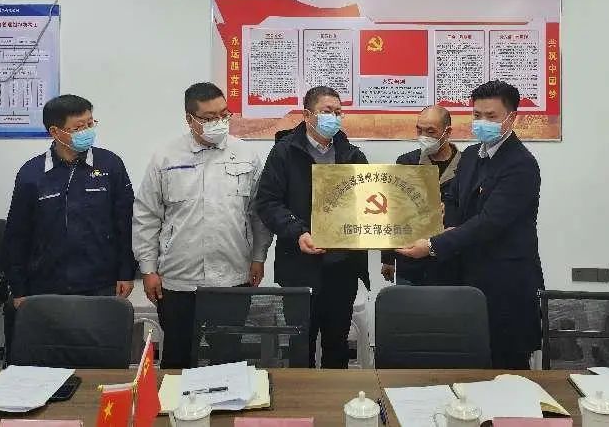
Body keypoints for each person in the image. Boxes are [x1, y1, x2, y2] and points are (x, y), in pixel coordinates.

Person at [397, 80, 544, 369]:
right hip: (469, 280)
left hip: (506, 286)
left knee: (506, 371)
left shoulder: (521, 164)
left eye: (491, 116)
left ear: (511, 118)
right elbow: (454, 202)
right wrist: (439, 221)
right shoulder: (473, 156)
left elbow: (489, 223)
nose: (482, 122)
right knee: (468, 368)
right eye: (477, 115)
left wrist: (433, 244)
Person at [132, 82, 272, 369]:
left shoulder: (246, 155)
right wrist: (147, 269)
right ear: (190, 119)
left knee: (229, 357)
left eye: (224, 114)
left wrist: (258, 257)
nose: (219, 122)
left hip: (232, 275)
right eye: (209, 118)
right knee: (178, 357)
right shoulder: (166, 157)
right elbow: (147, 215)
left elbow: (258, 214)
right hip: (178, 279)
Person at [2, 95, 135, 354]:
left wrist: (126, 272)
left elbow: (125, 223)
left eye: (90, 123)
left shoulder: (110, 165)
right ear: (55, 131)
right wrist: (18, 288)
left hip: (101, 283)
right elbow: (17, 235)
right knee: (52, 355)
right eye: (78, 127)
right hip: (47, 285)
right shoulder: (32, 174)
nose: (87, 131)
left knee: (97, 354)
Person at [254, 86, 369, 368]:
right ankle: (300, 396)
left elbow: (368, 205)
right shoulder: (284, 153)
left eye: (339, 112)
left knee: (337, 344)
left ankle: (336, 395)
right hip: (299, 266)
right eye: (327, 111)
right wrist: (297, 231)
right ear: (307, 115)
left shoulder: (352, 155)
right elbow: (268, 203)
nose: (334, 117)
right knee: (299, 344)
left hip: (342, 268)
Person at [380, 105, 461, 286]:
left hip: (451, 262)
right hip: (410, 261)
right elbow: (393, 210)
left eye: (430, 131)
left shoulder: (466, 165)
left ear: (447, 132)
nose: (423, 136)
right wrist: (388, 257)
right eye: (419, 130)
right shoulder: (407, 162)